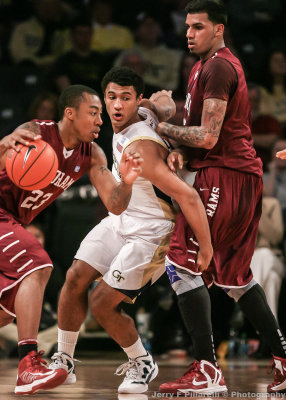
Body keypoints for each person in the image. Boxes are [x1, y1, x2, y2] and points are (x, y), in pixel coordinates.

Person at [49, 66, 213, 394]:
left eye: (126, 98)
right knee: (74, 277)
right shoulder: (139, 111)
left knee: (101, 303)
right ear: (103, 100)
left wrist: (205, 247)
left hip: (152, 231)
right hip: (122, 219)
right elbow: (162, 101)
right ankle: (63, 360)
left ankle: (141, 361)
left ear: (135, 99)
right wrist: (164, 106)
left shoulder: (142, 147)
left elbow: (187, 195)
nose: (118, 105)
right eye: (112, 97)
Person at [155, 0, 286, 395]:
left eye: (198, 26)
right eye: (188, 26)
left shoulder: (218, 66)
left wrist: (160, 124)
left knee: (181, 264)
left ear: (219, 29)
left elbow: (209, 137)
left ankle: (207, 369)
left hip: (224, 177)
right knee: (236, 276)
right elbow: (202, 136)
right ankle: (283, 357)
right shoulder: (203, 66)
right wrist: (181, 145)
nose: (189, 32)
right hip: (239, 177)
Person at [0, 84, 143, 395]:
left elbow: (115, 204)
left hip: (12, 220)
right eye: (93, 113)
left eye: (100, 115)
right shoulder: (36, 131)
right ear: (70, 114)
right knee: (37, 266)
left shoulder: (91, 155)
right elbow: (4, 152)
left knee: (7, 308)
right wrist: (5, 144)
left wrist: (128, 180)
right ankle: (28, 365)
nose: (100, 121)